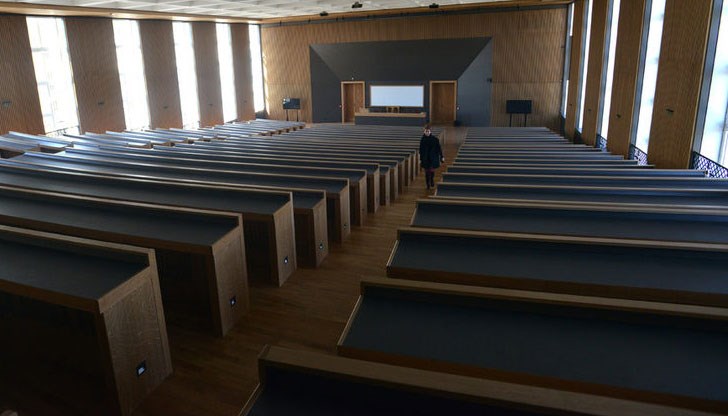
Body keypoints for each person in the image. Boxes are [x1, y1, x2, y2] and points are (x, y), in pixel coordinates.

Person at [419, 124, 444, 190]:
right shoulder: (422, 140)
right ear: (424, 131)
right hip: (425, 158)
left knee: (432, 171)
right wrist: (420, 159)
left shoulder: (435, 139)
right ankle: (428, 184)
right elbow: (421, 150)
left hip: (433, 158)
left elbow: (439, 148)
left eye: (428, 131)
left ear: (430, 131)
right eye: (426, 131)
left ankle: (432, 180)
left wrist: (442, 156)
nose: (427, 132)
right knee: (427, 173)